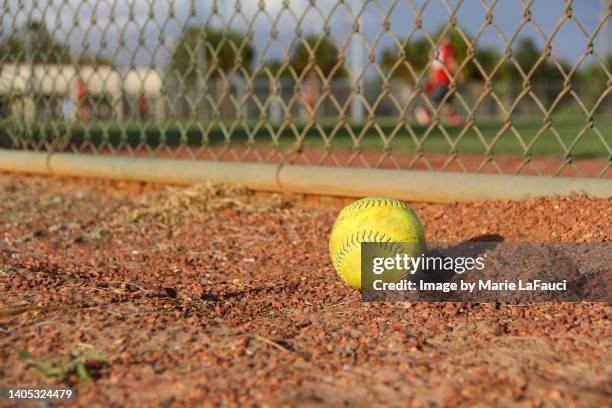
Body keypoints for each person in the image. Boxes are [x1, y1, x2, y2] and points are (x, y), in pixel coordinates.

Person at [415, 37, 462, 126]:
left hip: (443, 82)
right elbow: (451, 63)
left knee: (443, 101)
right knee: (439, 100)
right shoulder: (444, 50)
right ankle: (425, 113)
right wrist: (458, 75)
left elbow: (433, 70)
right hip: (444, 82)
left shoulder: (438, 52)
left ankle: (452, 118)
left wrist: (430, 82)